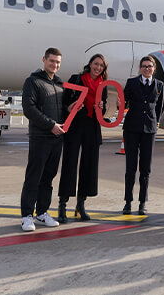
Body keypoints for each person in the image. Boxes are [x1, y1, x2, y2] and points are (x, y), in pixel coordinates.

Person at [57, 54, 108, 223]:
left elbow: (104, 107)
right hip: (75, 126)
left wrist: (102, 107)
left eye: (101, 65)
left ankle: (80, 205)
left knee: (89, 167)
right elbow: (64, 101)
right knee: (69, 164)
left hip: (92, 127)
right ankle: (62, 205)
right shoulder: (77, 79)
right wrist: (69, 106)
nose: (98, 67)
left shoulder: (103, 85)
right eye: (96, 64)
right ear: (90, 64)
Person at [20, 47, 65, 231]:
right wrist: (50, 125)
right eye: (52, 61)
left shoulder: (60, 85)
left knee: (48, 177)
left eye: (58, 62)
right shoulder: (33, 82)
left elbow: (63, 110)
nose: (54, 65)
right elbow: (29, 109)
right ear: (44, 60)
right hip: (41, 137)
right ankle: (26, 216)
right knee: (34, 177)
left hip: (56, 138)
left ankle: (42, 212)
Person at [122, 55, 164, 215]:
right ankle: (127, 202)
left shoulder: (159, 84)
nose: (147, 69)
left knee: (146, 168)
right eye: (144, 66)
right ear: (140, 68)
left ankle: (142, 202)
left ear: (154, 68)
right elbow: (124, 101)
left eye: (150, 66)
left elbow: (160, 106)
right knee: (130, 167)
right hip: (132, 128)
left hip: (150, 129)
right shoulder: (131, 83)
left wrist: (157, 122)